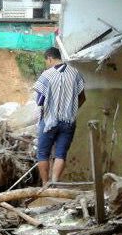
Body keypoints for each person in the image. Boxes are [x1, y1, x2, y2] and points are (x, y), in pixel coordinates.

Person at [33, 47, 86, 185]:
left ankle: (45, 184)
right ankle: (55, 183)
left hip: (49, 120)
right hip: (68, 121)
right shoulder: (75, 73)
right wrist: (71, 111)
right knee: (60, 154)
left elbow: (39, 100)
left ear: (50, 58)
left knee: (43, 154)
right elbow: (82, 98)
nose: (47, 64)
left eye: (46, 61)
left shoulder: (46, 75)